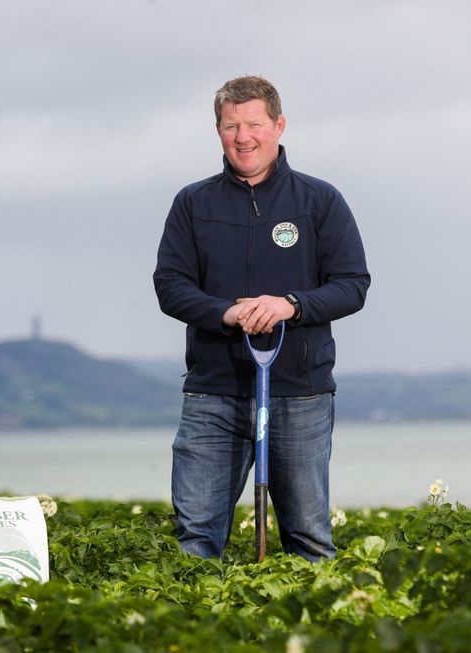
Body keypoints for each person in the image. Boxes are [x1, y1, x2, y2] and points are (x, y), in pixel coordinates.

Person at [153, 75, 370, 561]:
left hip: (300, 392)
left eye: (253, 124)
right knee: (195, 541)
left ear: (278, 125)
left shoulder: (320, 201)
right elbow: (171, 286)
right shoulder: (193, 204)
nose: (243, 137)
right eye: (230, 126)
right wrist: (227, 313)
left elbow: (352, 284)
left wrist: (289, 304)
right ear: (218, 131)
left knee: (309, 540)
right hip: (212, 392)